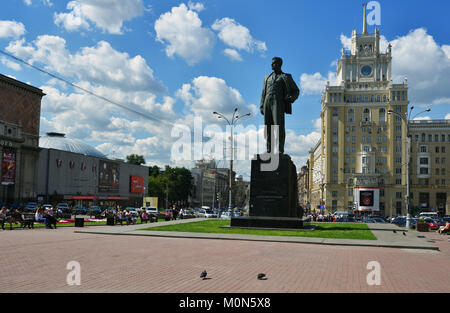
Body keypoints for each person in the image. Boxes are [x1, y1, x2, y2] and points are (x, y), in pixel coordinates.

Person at [260, 57, 300, 154]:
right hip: (267, 102)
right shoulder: (267, 77)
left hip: (278, 103)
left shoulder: (286, 76)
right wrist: (261, 105)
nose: (271, 65)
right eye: (272, 63)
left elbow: (296, 90)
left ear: (279, 64)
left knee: (278, 126)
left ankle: (280, 149)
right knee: (268, 127)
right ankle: (269, 149)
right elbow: (263, 92)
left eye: (273, 63)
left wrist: (291, 98)